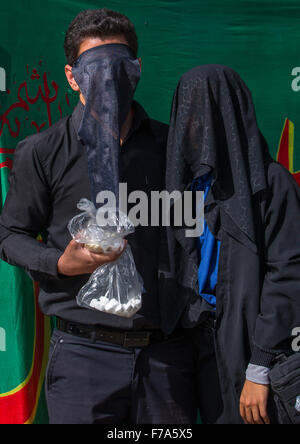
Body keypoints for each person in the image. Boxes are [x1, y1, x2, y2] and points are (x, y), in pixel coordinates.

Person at [0, 9, 197, 424]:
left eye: (120, 67)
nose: (109, 80)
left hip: (166, 357)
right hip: (83, 355)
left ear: (137, 70)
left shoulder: (174, 148)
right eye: (95, 69)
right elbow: (10, 234)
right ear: (72, 77)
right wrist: (57, 262)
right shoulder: (42, 151)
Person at [161, 64, 300, 424]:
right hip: (182, 345)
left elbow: (288, 274)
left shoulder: (270, 185)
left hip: (245, 348)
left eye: (207, 111)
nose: (196, 124)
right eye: (188, 112)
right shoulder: (178, 187)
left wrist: (261, 365)